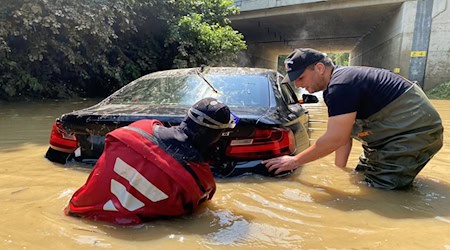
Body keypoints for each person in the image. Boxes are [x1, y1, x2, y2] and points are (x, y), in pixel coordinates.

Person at [263, 48, 443, 190]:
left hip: (412, 134)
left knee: (380, 191)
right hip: (390, 137)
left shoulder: (341, 85)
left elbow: (335, 139)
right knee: (360, 176)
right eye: (295, 81)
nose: (298, 85)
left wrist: (294, 161)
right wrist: (338, 172)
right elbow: (343, 136)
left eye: (301, 77)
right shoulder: (337, 84)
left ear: (319, 68)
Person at [65, 98, 237, 224]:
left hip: (75, 214)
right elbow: (191, 217)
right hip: (127, 234)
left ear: (187, 117)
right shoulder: (201, 182)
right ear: (216, 136)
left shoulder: (138, 128)